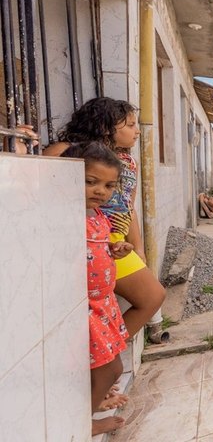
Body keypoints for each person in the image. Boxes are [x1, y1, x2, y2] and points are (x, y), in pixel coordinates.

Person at [44, 98, 166, 342]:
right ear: (105, 127)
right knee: (150, 296)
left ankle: (106, 355)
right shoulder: (65, 151)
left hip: (116, 243)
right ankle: (104, 358)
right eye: (130, 125)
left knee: (148, 298)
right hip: (87, 241)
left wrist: (138, 246)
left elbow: (127, 208)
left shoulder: (127, 163)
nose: (138, 131)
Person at [62, 142, 132, 436]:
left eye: (108, 185)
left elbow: (97, 249)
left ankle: (94, 400)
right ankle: (83, 422)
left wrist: (116, 249)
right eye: (91, 182)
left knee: (109, 367)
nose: (100, 191)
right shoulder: (66, 217)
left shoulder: (98, 216)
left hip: (104, 304)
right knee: (112, 368)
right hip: (87, 307)